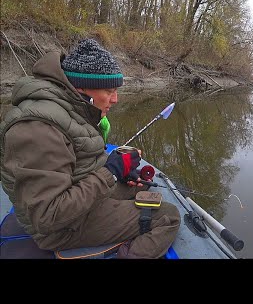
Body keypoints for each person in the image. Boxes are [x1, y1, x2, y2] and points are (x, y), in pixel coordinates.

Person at [0, 38, 180, 259]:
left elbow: (79, 162)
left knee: (142, 191)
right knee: (168, 216)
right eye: (109, 91)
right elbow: (47, 216)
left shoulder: (68, 108)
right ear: (80, 88)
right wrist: (110, 172)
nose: (115, 99)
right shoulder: (38, 128)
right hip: (59, 228)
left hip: (77, 200)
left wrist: (120, 173)